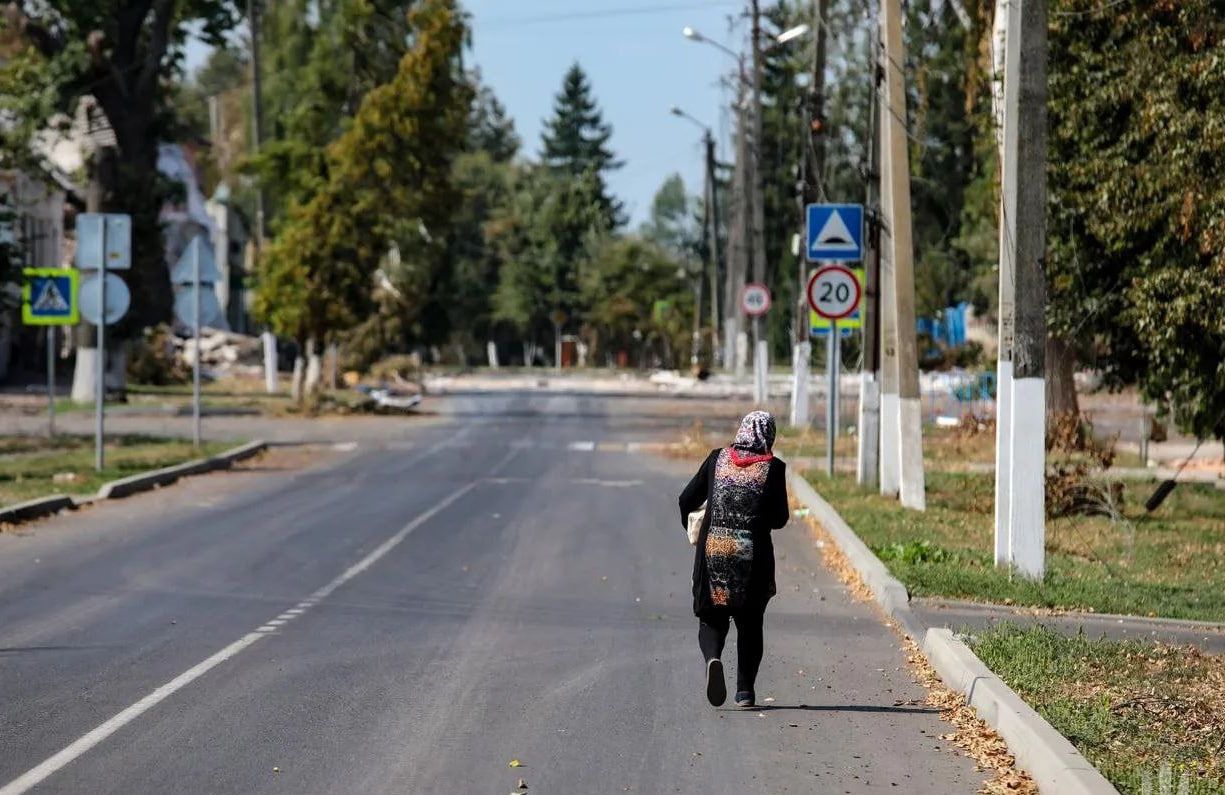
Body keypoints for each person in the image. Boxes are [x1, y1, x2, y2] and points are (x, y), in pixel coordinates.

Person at [678, 410, 790, 709]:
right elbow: (780, 519)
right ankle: (745, 692)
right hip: (753, 557)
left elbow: (685, 499)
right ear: (769, 437)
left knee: (712, 617)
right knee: (750, 623)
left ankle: (713, 657)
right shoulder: (774, 468)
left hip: (713, 550)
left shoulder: (717, 458)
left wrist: (694, 530)